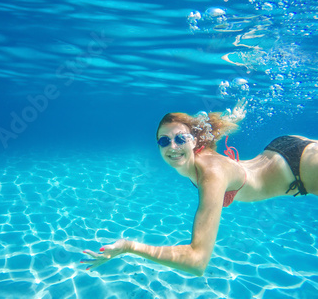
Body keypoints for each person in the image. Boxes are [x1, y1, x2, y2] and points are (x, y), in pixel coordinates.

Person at [80, 101, 318, 276]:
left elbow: (197, 262)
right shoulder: (198, 148)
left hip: (302, 170)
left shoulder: (211, 175)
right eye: (164, 141)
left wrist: (130, 247)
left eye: (180, 139)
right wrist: (233, 118)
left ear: (193, 141)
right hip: (281, 149)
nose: (172, 147)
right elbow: (210, 130)